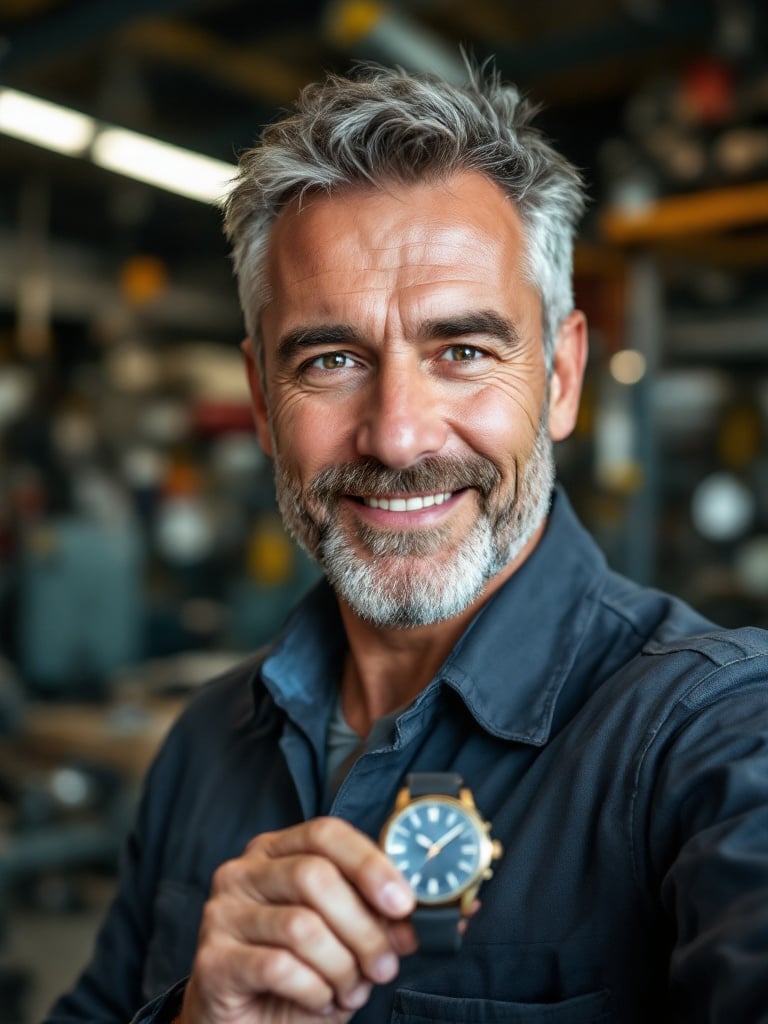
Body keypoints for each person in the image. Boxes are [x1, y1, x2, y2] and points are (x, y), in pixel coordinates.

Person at [46, 62, 768, 1024]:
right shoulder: (205, 746)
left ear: (560, 379)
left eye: (462, 352)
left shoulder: (716, 735)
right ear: (262, 399)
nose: (397, 435)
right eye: (332, 359)